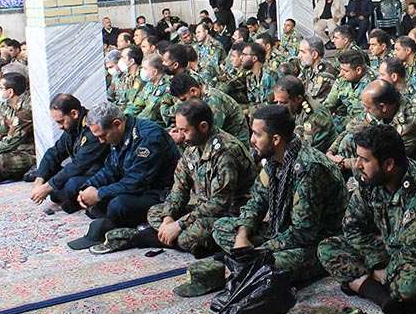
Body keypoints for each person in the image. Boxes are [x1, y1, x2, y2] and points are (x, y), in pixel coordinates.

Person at [174, 105, 347, 297]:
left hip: (318, 242)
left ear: (275, 139)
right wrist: (242, 236)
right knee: (221, 228)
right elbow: (256, 202)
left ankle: (250, 264)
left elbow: (303, 233)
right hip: (281, 230)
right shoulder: (274, 160)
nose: (252, 140)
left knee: (271, 264)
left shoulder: (309, 169)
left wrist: (260, 249)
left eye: (257, 134)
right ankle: (248, 262)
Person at [319, 124, 416, 314]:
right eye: (358, 157)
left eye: (365, 160)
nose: (357, 165)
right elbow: (352, 226)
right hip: (391, 251)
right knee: (328, 248)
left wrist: (379, 270)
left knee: (409, 286)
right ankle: (383, 297)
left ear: (389, 164)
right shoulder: (370, 180)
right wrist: (377, 263)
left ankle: (363, 285)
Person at [90, 99, 255, 256]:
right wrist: (169, 218)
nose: (180, 136)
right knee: (155, 212)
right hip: (204, 207)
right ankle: (168, 235)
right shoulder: (192, 146)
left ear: (203, 127)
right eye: (178, 129)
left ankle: (149, 237)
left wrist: (179, 224)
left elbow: (219, 204)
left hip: (230, 213)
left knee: (190, 237)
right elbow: (179, 188)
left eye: (185, 130)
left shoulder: (225, 152)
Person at [66, 103, 180, 250]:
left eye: (102, 136)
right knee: (85, 193)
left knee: (117, 205)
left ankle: (135, 229)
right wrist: (89, 187)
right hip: (136, 187)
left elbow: (137, 182)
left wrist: (99, 194)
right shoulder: (118, 136)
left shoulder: (148, 137)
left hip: (160, 192)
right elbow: (110, 169)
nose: (101, 141)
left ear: (117, 124)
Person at [330, 79, 416, 173]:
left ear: (383, 107)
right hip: (387, 157)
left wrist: (344, 163)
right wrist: (331, 152)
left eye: (368, 108)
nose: (365, 111)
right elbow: (351, 128)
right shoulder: (378, 109)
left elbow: (388, 158)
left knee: (372, 164)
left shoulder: (413, 119)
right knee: (349, 140)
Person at [26, 94, 109, 213]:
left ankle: (74, 201)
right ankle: (67, 198)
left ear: (74, 114)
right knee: (49, 175)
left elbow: (78, 165)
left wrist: (47, 187)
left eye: (61, 121)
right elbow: (54, 153)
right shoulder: (73, 127)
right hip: (82, 173)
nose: (60, 127)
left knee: (71, 185)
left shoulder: (92, 128)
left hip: (98, 174)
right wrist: (39, 180)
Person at [273, 75, 337, 153]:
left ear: (298, 99)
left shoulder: (314, 116)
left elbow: (307, 149)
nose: (278, 106)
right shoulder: (294, 107)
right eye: (276, 102)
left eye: (283, 103)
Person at [323, 50, 375, 134]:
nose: (341, 74)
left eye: (345, 71)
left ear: (358, 70)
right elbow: (328, 104)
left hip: (366, 126)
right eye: (341, 69)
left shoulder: (374, 84)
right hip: (346, 121)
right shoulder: (342, 79)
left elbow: (373, 116)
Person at [124, 54, 171, 127]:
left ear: (154, 72)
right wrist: (125, 117)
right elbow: (137, 104)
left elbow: (150, 112)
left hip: (158, 126)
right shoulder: (149, 84)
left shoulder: (167, 86)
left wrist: (135, 123)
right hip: (145, 123)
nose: (142, 71)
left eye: (145, 68)